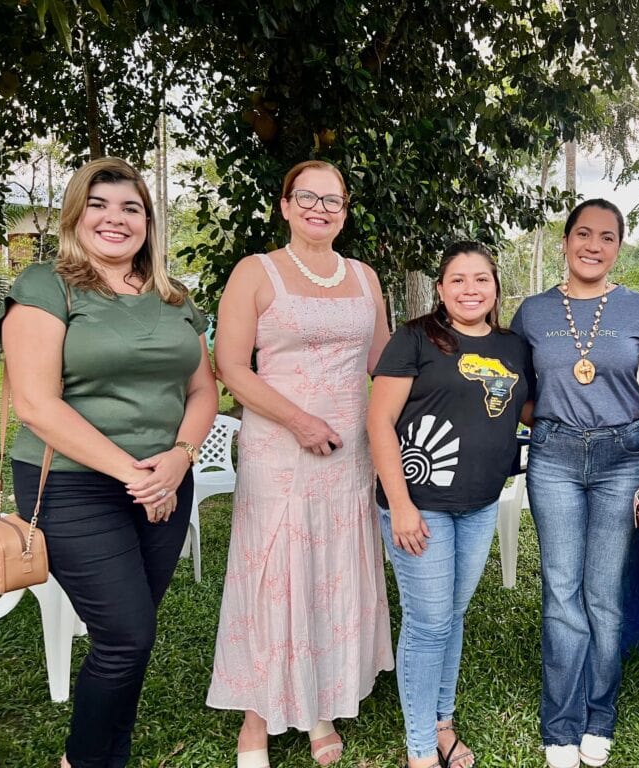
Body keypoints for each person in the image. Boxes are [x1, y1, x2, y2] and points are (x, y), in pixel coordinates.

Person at [0, 157, 217, 768]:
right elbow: (38, 406)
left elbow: (203, 389)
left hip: (166, 482)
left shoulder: (174, 296)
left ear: (148, 221)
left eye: (131, 208)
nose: (114, 219)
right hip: (72, 483)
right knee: (127, 635)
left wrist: (179, 457)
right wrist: (138, 473)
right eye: (98, 205)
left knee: (132, 636)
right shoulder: (46, 285)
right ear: (75, 214)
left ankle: (105, 757)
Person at [207, 160, 394, 768]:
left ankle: (320, 704)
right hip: (279, 448)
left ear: (344, 210)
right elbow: (231, 366)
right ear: (285, 205)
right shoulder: (255, 273)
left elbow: (384, 364)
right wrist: (298, 420)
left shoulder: (365, 277)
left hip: (348, 457)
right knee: (276, 571)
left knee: (330, 569)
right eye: (307, 197)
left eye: (333, 199)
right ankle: (256, 717)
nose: (320, 208)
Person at [510, 199, 639, 768]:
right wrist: (549, 422)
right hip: (553, 456)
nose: (593, 245)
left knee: (602, 595)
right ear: (565, 240)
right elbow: (514, 388)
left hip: (622, 458)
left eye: (607, 237)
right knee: (560, 590)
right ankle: (560, 723)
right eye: (583, 234)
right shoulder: (531, 312)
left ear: (618, 247)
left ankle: (599, 715)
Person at [368, 241, 532, 768]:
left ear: (495, 287)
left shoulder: (512, 347)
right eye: (457, 279)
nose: (469, 289)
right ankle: (420, 749)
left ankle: (442, 721)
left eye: (480, 278)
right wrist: (401, 502)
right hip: (421, 503)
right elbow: (378, 422)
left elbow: (524, 409)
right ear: (440, 289)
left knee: (452, 615)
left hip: (482, 502)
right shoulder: (415, 338)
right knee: (428, 621)